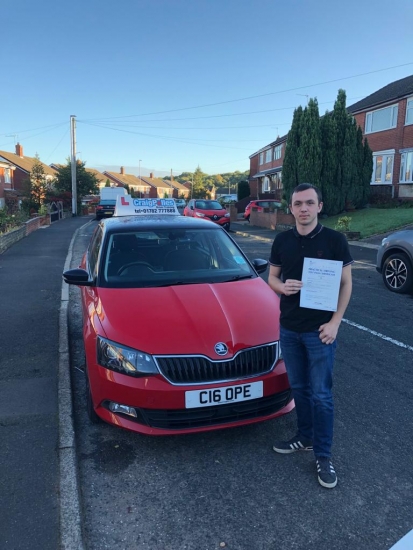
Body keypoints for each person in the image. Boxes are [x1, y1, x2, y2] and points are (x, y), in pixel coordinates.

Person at [268, 183, 353, 489]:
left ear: (319, 206)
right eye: (297, 203)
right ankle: (304, 437)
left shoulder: (334, 241)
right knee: (300, 389)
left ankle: (324, 456)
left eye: (309, 203)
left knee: (322, 395)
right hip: (289, 328)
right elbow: (272, 278)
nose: (303, 208)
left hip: (320, 333)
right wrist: (282, 288)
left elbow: (346, 284)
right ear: (290, 208)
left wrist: (335, 323)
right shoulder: (281, 240)